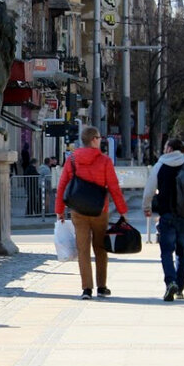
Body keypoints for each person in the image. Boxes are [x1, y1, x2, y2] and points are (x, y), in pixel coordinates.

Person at [55, 126, 128, 299]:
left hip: (78, 210)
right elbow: (114, 187)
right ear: (94, 140)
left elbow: (62, 185)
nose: (101, 139)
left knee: (83, 249)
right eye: (99, 137)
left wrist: (59, 210)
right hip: (99, 210)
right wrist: (122, 210)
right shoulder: (105, 161)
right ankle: (102, 287)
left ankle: (86, 288)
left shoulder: (72, 159)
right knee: (100, 248)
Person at [143, 138, 184, 301]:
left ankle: (170, 282)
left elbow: (149, 189)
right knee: (182, 253)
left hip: (167, 215)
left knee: (166, 252)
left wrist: (147, 207)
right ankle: (180, 287)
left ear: (169, 148)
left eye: (165, 147)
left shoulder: (160, 165)